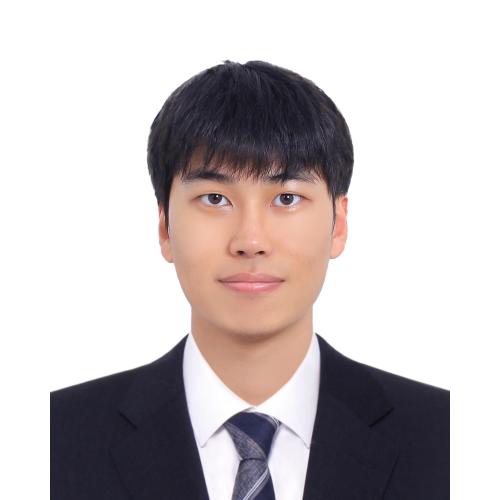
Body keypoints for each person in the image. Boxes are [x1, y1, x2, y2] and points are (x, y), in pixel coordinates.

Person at [50, 60, 449, 500]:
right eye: (215, 198)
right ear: (165, 227)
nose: (251, 241)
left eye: (287, 198)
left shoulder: (446, 436)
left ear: (338, 224)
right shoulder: (56, 439)